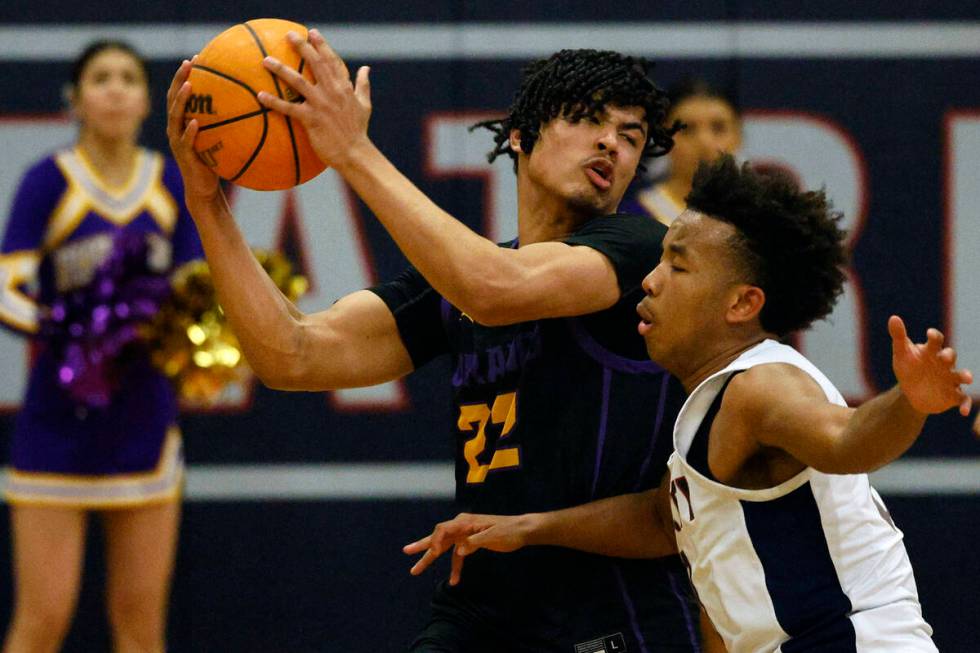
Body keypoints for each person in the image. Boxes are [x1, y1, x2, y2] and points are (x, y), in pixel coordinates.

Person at [168, 36, 712, 651]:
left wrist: (352, 151)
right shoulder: (464, 281)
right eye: (588, 119)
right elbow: (290, 355)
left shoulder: (638, 251)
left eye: (631, 135)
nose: (611, 142)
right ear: (520, 134)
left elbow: (494, 289)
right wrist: (207, 202)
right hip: (481, 606)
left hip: (606, 609)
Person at [404, 155, 973, 653]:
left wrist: (910, 402)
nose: (650, 281)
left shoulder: (761, 386)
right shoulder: (713, 400)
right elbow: (662, 517)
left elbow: (847, 441)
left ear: (741, 303)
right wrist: (528, 526)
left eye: (677, 265)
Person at [0, 41, 202, 653]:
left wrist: (187, 338)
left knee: (140, 628)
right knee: (42, 621)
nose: (114, 89)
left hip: (143, 419)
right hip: (57, 420)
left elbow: (201, 292)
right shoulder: (49, 181)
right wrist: (70, 328)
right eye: (99, 78)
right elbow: (6, 286)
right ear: (76, 98)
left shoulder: (170, 181)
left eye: (128, 78)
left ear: (147, 99)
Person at [621, 79, 742, 226]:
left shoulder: (760, 218)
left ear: (738, 135)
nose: (704, 142)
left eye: (718, 128)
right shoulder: (630, 217)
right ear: (664, 137)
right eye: (688, 129)